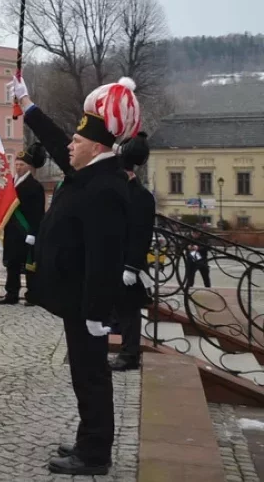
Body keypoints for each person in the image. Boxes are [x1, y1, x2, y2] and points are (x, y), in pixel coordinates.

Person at [10, 74, 139, 476]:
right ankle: (89, 437)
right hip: (76, 298)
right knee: (83, 374)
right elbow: (55, 138)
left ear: (97, 146)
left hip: (88, 304)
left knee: (91, 375)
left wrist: (97, 313)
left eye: (77, 141)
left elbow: (104, 257)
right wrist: (28, 105)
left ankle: (95, 452)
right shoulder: (91, 168)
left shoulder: (105, 187)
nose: (70, 145)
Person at [111, 134, 154, 372]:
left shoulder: (141, 197)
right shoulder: (118, 191)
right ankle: (125, 352)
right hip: (113, 260)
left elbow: (142, 235)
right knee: (118, 310)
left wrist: (132, 266)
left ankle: (130, 355)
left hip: (128, 264)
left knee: (128, 312)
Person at [0, 143, 47, 305]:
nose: (18, 168)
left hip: (26, 232)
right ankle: (11, 294)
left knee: (29, 266)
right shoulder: (10, 184)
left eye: (22, 165)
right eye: (17, 164)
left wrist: (34, 233)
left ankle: (32, 295)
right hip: (12, 231)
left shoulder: (35, 186)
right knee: (12, 264)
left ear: (29, 167)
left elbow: (38, 213)